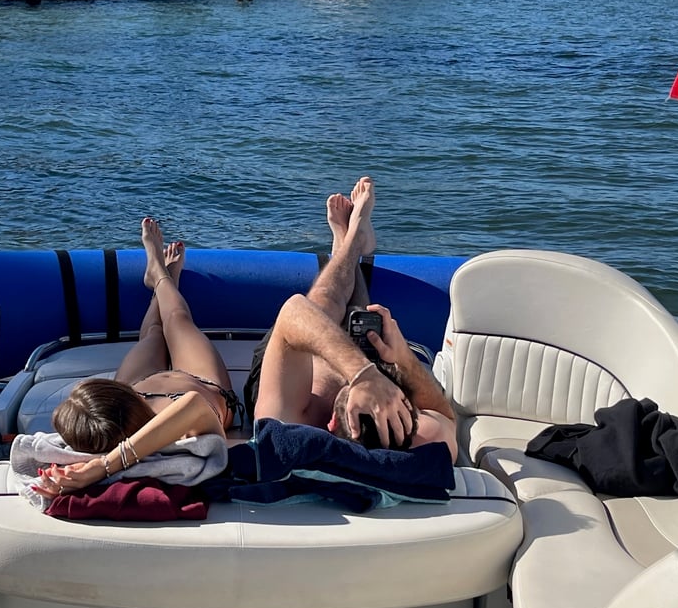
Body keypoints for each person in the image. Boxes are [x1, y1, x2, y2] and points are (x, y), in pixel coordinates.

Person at [251, 176, 457, 460]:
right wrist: (404, 359)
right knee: (363, 334)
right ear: (407, 419)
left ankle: (350, 243)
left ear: (331, 424)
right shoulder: (427, 441)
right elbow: (446, 416)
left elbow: (295, 311)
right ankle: (351, 241)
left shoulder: (289, 429)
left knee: (322, 303)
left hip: (290, 376)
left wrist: (363, 375)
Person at [36, 217, 238, 496]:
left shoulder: (113, 416)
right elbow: (193, 402)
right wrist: (106, 465)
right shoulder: (178, 430)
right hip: (200, 381)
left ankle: (160, 279)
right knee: (178, 320)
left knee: (154, 334)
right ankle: (161, 275)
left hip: (139, 385)